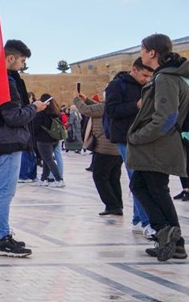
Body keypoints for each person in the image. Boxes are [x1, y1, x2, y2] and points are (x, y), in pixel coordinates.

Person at [127, 34, 189, 261]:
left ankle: (167, 232)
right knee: (143, 186)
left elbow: (166, 117)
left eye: (143, 50)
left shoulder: (165, 78)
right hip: (157, 144)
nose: (141, 54)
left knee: (153, 188)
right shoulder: (168, 76)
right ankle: (174, 241)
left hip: (157, 144)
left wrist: (137, 136)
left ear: (152, 52)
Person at [0, 40, 48, 257]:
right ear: (11, 58)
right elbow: (13, 117)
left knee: (4, 192)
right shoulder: (6, 82)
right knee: (4, 193)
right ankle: (1, 238)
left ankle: (2, 235)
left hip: (4, 142)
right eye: (22, 61)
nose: (22, 65)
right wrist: (35, 107)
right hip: (6, 142)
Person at [105, 58, 156, 236]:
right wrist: (136, 106)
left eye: (150, 76)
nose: (147, 79)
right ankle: (147, 223)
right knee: (138, 178)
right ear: (134, 70)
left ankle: (137, 219)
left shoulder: (148, 86)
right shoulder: (117, 86)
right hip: (125, 139)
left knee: (139, 179)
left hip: (143, 138)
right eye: (144, 75)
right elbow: (111, 111)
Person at [73, 91, 123, 215]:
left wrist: (76, 99)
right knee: (113, 177)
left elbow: (87, 110)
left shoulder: (106, 106)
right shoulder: (117, 106)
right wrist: (87, 99)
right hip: (117, 148)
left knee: (99, 176)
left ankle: (112, 205)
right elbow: (96, 108)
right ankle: (117, 205)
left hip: (104, 148)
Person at [34, 94, 65, 186]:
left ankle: (59, 180)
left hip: (43, 140)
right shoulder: (56, 113)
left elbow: (35, 127)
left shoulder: (40, 114)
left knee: (48, 159)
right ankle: (44, 179)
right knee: (47, 159)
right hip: (54, 140)